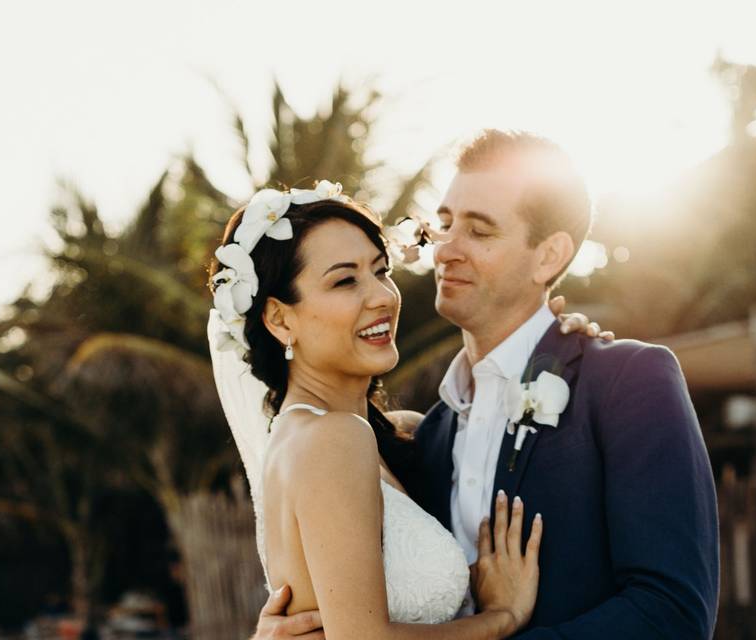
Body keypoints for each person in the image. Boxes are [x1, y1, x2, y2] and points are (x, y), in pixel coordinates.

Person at [252, 130, 720, 639]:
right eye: (447, 223)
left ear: (549, 256)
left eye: (479, 231)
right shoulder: (420, 440)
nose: (446, 249)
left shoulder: (627, 382)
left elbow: (672, 615)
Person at [208, 181, 545, 639]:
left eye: (381, 270)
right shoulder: (333, 438)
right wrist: (500, 618)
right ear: (279, 319)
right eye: (345, 280)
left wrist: (550, 342)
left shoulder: (365, 436)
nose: (383, 296)